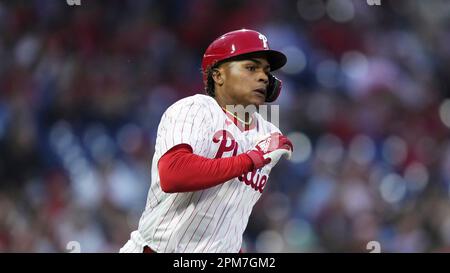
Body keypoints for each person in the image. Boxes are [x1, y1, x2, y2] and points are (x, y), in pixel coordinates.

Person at [120, 29, 293, 253]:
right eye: (251, 67)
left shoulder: (269, 134)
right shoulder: (195, 109)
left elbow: (227, 217)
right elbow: (174, 175)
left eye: (266, 71)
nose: (263, 77)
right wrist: (252, 159)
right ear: (218, 75)